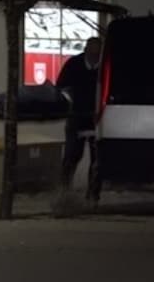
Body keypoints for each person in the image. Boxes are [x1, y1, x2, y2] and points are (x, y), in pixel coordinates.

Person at [56, 36, 103, 208]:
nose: (94, 57)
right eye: (91, 53)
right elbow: (61, 86)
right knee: (71, 156)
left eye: (97, 55)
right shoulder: (73, 64)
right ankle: (64, 192)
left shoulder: (104, 67)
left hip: (97, 119)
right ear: (86, 50)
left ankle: (92, 197)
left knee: (97, 160)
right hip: (76, 116)